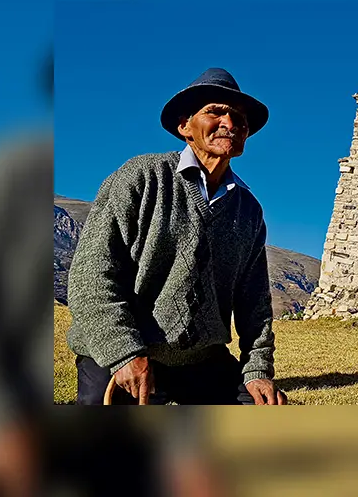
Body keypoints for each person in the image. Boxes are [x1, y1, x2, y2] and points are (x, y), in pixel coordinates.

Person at [67, 67, 286, 405]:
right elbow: (91, 275)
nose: (230, 123)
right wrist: (124, 353)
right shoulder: (141, 177)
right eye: (215, 111)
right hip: (120, 350)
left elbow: (254, 301)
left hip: (201, 360)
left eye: (239, 118)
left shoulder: (249, 210)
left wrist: (258, 368)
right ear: (185, 126)